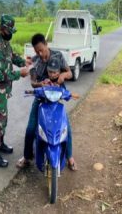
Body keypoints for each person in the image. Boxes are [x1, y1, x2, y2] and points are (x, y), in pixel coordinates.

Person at [16, 33, 77, 171]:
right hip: (41, 99)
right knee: (31, 128)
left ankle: (69, 157)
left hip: (57, 99)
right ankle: (27, 157)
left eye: (41, 50)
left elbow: (70, 73)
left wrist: (62, 75)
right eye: (37, 51)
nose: (40, 53)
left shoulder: (58, 56)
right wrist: (40, 84)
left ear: (46, 44)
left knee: (65, 128)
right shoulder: (35, 60)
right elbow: (32, 83)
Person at [0, 14, 29, 168]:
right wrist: (21, 73)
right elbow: (3, 74)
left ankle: (1, 143)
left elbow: (11, 56)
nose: (11, 33)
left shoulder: (4, 42)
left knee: (3, 118)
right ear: (3, 29)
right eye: (9, 30)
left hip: (3, 89)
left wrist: (24, 62)